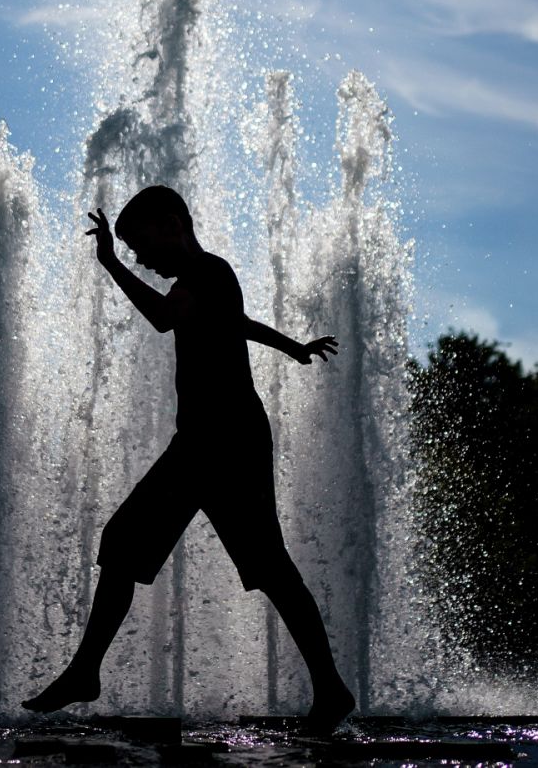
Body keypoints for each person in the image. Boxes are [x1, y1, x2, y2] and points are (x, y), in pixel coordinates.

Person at [22, 184, 356, 730]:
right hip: (209, 439)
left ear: (173, 223)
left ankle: (330, 687)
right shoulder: (208, 281)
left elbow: (161, 317)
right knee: (133, 543)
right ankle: (330, 688)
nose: (139, 257)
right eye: (128, 249)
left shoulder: (204, 274)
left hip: (223, 440)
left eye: (139, 242)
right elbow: (238, 325)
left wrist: (108, 264)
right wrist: (292, 346)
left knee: (256, 564)